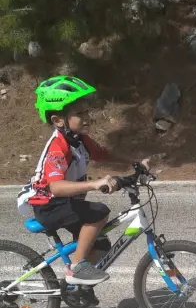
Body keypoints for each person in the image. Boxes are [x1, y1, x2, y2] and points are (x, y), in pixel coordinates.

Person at [19, 75, 147, 286]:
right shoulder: (57, 146)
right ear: (58, 120)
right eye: (79, 114)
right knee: (99, 212)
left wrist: (134, 162)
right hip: (49, 205)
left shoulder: (80, 139)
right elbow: (56, 187)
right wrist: (95, 184)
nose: (87, 118)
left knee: (101, 245)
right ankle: (77, 267)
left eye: (87, 112)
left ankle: (75, 288)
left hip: (66, 202)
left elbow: (103, 154)